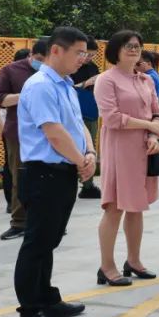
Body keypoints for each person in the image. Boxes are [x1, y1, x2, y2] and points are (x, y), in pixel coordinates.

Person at [12, 27, 95, 317]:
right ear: (56, 51)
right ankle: (29, 313)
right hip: (43, 173)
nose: (82, 59)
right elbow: (54, 132)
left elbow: (77, 125)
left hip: (63, 172)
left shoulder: (66, 86)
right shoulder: (41, 86)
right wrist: (79, 160)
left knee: (50, 239)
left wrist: (89, 152)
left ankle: (46, 297)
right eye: (78, 53)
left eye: (84, 53)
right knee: (36, 243)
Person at [94, 31, 159, 286]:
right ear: (115, 50)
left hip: (145, 149)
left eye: (137, 46)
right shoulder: (106, 80)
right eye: (128, 46)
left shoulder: (146, 80)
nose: (134, 50)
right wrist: (147, 124)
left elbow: (157, 112)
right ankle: (107, 266)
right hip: (119, 149)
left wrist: (153, 135)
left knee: (137, 207)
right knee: (115, 208)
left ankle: (133, 261)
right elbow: (112, 118)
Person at [0, 39, 48, 240]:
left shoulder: (55, 73)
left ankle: (44, 220)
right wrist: (23, 95)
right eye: (39, 59)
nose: (43, 64)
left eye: (47, 60)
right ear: (31, 55)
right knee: (19, 177)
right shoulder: (11, 70)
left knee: (46, 179)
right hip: (19, 133)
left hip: (48, 133)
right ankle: (19, 222)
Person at [71, 39, 103, 198]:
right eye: (87, 55)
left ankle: (88, 185)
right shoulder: (71, 67)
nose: (89, 58)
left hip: (91, 110)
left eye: (92, 55)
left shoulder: (93, 67)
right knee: (76, 146)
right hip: (75, 112)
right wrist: (86, 83)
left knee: (90, 147)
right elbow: (67, 88)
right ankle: (79, 181)